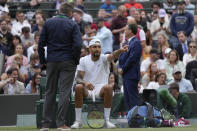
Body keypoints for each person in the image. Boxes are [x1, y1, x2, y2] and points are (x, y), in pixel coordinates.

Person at [38, 2, 82, 131]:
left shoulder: (48, 23)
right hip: (68, 61)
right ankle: (61, 124)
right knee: (64, 92)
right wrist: (75, 60)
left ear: (59, 11)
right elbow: (78, 45)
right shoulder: (73, 24)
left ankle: (45, 125)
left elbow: (40, 44)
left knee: (49, 92)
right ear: (69, 13)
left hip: (51, 61)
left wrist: (43, 61)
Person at [70, 38, 128, 129]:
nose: (97, 49)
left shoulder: (104, 58)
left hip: (101, 90)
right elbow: (78, 78)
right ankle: (78, 121)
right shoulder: (83, 60)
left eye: (99, 47)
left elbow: (113, 55)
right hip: (87, 90)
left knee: (109, 87)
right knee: (78, 87)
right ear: (89, 48)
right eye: (94, 47)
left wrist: (120, 50)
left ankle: (107, 121)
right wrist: (85, 83)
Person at [119, 24, 142, 111]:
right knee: (127, 98)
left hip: (131, 74)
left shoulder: (136, 43)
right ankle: (130, 119)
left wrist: (123, 68)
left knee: (133, 98)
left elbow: (132, 58)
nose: (124, 30)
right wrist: (119, 66)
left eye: (126, 29)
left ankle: (135, 119)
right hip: (125, 74)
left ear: (131, 31)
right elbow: (121, 57)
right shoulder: (126, 43)